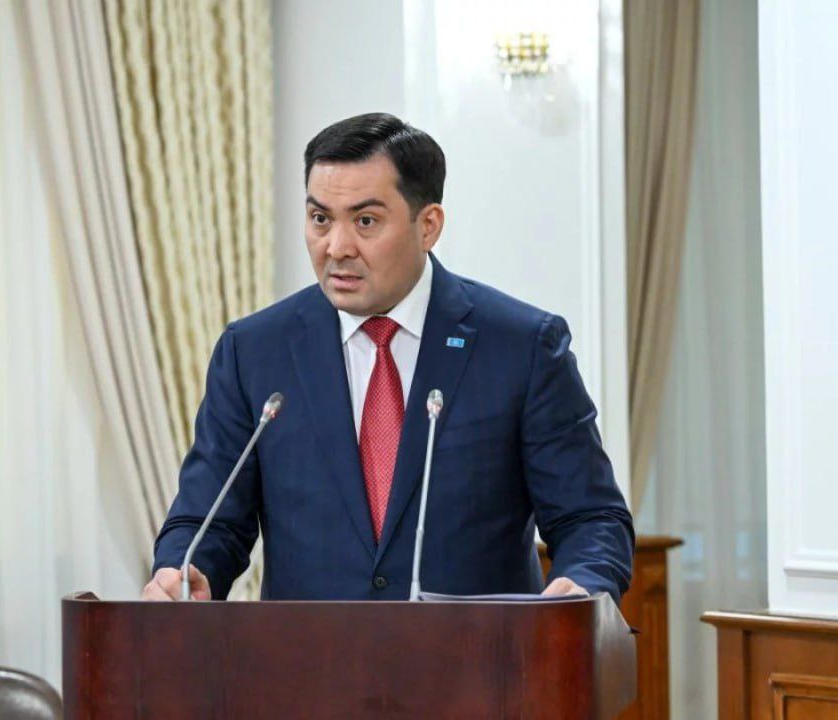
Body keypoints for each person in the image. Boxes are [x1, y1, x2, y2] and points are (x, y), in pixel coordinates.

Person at [143, 113, 633, 602]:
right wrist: (186, 570)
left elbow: (590, 518)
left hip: (480, 650)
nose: (337, 247)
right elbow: (208, 519)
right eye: (320, 219)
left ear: (428, 226)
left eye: (365, 221)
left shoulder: (521, 346)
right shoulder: (254, 351)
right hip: (308, 651)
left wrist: (583, 585)